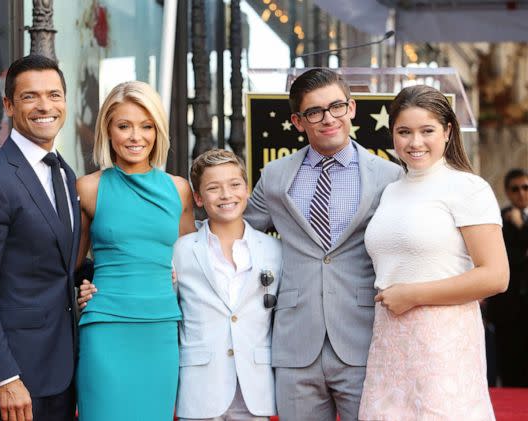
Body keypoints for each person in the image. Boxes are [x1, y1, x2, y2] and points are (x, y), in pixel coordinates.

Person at [244, 68, 402, 421]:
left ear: (352, 108)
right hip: (295, 343)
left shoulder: (390, 176)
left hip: (364, 340)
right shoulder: (274, 176)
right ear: (299, 122)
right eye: (315, 112)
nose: (328, 118)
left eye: (336, 106)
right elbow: (238, 235)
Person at [359, 85, 509, 420]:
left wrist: (413, 295)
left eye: (427, 130)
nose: (415, 143)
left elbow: (496, 276)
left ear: (447, 131)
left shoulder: (468, 188)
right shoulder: (391, 191)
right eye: (404, 132)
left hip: (443, 343)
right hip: (389, 342)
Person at [0, 55, 80, 421]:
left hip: (63, 370)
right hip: (17, 380)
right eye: (30, 97)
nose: (45, 106)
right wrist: (6, 376)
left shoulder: (65, 172)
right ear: (9, 105)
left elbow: (56, 262)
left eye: (54, 95)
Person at [74, 80, 194, 420]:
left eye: (146, 126)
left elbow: (191, 263)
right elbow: (70, 263)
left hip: (160, 330)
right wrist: (82, 287)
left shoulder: (179, 190)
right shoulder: (88, 188)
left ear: (158, 130)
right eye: (124, 126)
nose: (135, 137)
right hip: (106, 327)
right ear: (108, 130)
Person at [174, 149, 282, 421]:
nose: (226, 195)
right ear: (198, 198)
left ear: (247, 190)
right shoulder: (180, 251)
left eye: (235, 185)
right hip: (200, 389)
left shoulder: (274, 250)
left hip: (255, 389)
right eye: (213, 188)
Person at [487, 168, 528, 387]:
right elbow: (503, 258)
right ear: (508, 192)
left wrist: (522, 228)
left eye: (525, 187)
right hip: (508, 307)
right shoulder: (498, 220)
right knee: (509, 363)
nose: (521, 193)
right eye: (515, 189)